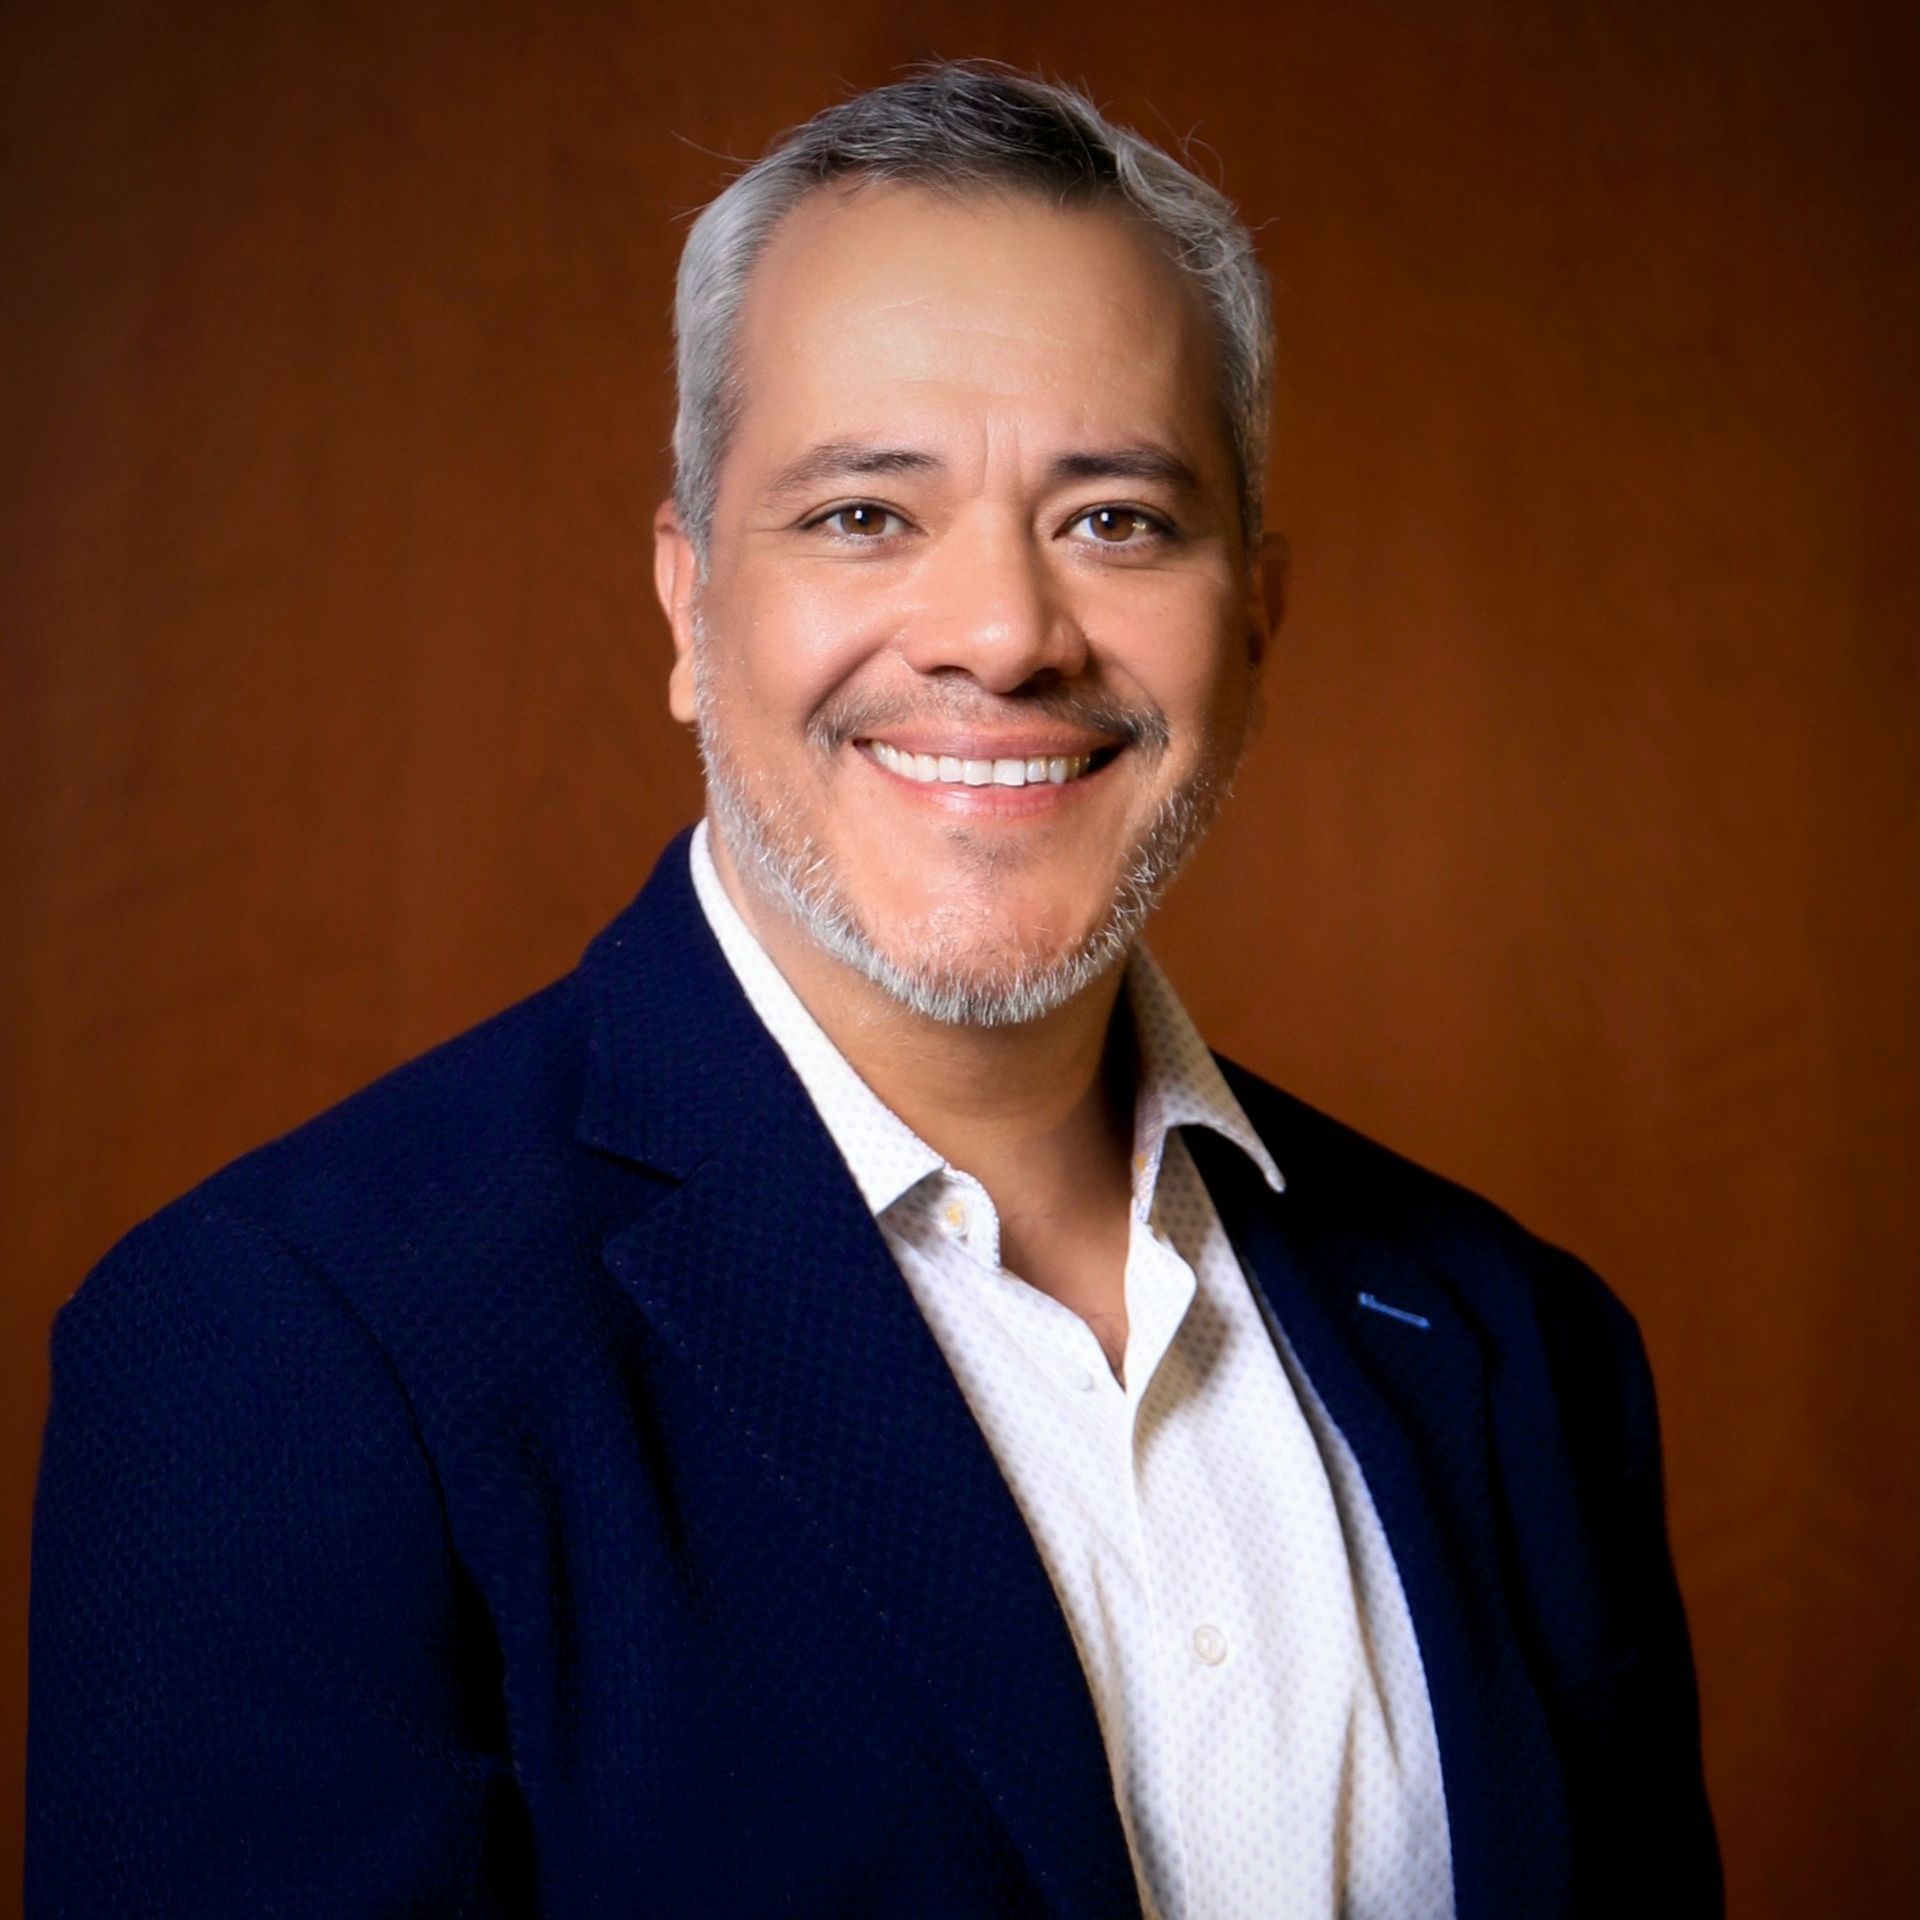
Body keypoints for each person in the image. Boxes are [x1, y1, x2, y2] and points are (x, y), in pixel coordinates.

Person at [26, 60, 1720, 1919]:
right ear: (688, 605)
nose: (1001, 632)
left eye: (1117, 519)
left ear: (1256, 621)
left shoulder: (1516, 1347)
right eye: (861, 515)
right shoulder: (291, 1353)